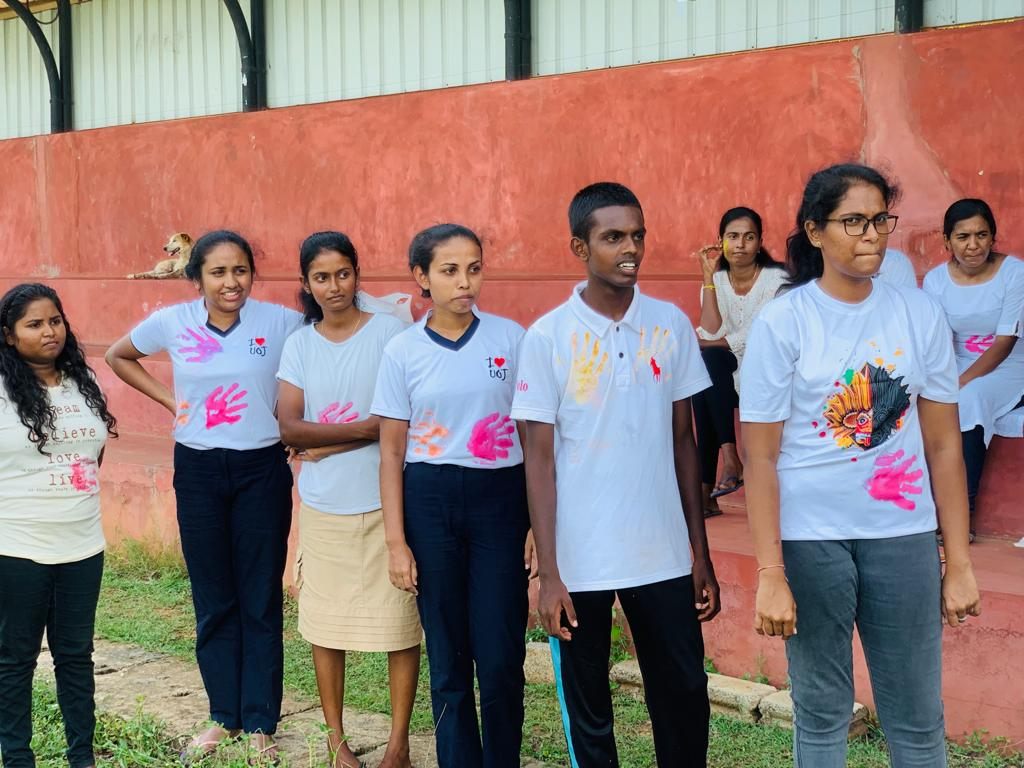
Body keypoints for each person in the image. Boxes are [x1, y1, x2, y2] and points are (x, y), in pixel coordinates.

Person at [741, 164, 982, 767]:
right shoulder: (784, 322)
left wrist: (957, 561)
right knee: (822, 714)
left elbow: (944, 447)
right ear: (815, 231)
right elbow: (760, 456)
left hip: (903, 536)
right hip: (811, 541)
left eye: (879, 220)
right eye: (853, 221)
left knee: (918, 718)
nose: (871, 234)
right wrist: (770, 571)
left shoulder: (919, 314)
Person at [511, 182, 720, 767]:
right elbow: (538, 460)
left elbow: (684, 441)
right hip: (581, 557)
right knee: (589, 708)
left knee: (683, 694)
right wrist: (550, 573)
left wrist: (699, 553)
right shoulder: (549, 337)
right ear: (580, 247)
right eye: (613, 237)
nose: (631, 249)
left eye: (637, 236)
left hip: (662, 553)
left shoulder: (670, 325)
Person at [105, 230, 302, 763]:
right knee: (214, 596)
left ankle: (260, 721)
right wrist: (174, 402)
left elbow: (322, 358)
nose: (231, 282)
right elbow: (120, 355)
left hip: (261, 468)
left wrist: (298, 423)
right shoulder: (172, 322)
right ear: (197, 278)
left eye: (240, 270)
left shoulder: (281, 322)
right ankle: (223, 716)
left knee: (260, 596)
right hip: (197, 468)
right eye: (218, 272)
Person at [371, 223, 534, 767]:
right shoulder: (403, 351)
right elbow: (391, 452)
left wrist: (538, 525)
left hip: (500, 501)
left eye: (474, 269)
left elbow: (535, 438)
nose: (465, 282)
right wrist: (397, 542)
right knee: (447, 654)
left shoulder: (511, 340)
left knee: (501, 654)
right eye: (449, 271)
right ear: (421, 277)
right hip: (430, 500)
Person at [276, 231, 420, 768]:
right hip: (323, 507)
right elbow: (289, 426)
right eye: (321, 277)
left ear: (357, 274)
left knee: (400, 627)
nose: (334, 286)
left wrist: (332, 441)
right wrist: (368, 427)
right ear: (307, 283)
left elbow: (402, 417)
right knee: (325, 627)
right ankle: (336, 742)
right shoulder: (300, 345)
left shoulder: (389, 333)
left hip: (389, 507)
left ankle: (398, 744)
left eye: (343, 273)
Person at [0, 284, 117, 768]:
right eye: (34, 324)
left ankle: (81, 758)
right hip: (17, 546)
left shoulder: (81, 381)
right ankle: (18, 759)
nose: (49, 331)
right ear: (9, 336)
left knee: (75, 656)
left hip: (83, 545)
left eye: (55, 320)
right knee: (15, 660)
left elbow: (93, 454)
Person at [923, 199, 1024, 541]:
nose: (973, 245)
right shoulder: (936, 281)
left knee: (969, 399)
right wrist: (940, 380)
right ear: (947, 240)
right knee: (923, 401)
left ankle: (960, 516)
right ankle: (922, 509)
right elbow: (938, 340)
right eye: (963, 236)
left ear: (993, 237)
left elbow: (1005, 341)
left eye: (981, 235)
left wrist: (960, 382)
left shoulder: (1014, 273)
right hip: (957, 363)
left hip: (1009, 365)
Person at [693, 207, 787, 515]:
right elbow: (711, 330)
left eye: (749, 237)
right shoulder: (717, 280)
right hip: (725, 374)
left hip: (766, 373)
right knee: (707, 368)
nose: (740, 244)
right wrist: (708, 278)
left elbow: (760, 333)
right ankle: (730, 457)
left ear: (760, 242)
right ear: (720, 241)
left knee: (706, 372)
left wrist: (708, 343)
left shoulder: (778, 279)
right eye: (732, 237)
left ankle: (707, 489)